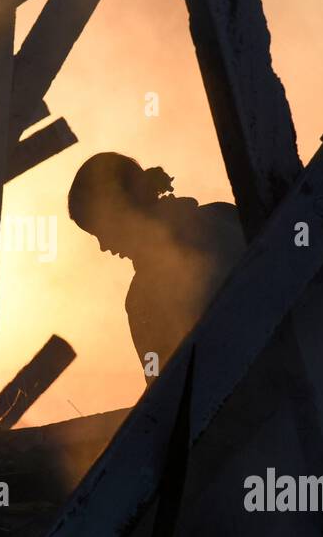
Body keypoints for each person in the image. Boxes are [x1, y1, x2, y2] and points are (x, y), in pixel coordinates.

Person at [68, 152, 246, 378]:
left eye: (101, 231)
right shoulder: (226, 215)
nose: (103, 246)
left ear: (120, 215)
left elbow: (160, 387)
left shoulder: (142, 298)